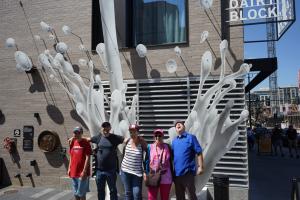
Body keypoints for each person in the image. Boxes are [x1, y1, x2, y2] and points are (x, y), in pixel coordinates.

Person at [89, 122, 126, 200]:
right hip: (99, 171)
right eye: (104, 127)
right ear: (101, 128)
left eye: (107, 127)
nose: (105, 129)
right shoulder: (98, 137)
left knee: (113, 190)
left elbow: (125, 139)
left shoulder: (114, 138)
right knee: (100, 190)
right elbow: (88, 139)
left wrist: (137, 139)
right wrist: (74, 138)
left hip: (111, 171)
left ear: (110, 128)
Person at [172, 120, 204, 200]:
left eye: (180, 123)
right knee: (179, 197)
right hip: (176, 175)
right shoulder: (174, 141)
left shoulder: (191, 137)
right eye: (176, 125)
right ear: (175, 129)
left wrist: (200, 167)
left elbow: (199, 152)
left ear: (184, 126)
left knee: (191, 196)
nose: (178, 125)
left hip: (188, 174)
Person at [120, 124, 147, 200]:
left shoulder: (142, 143)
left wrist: (145, 171)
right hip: (125, 171)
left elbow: (150, 153)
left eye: (134, 132)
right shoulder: (127, 141)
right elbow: (117, 138)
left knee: (137, 193)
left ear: (138, 132)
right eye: (131, 132)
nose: (132, 134)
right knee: (128, 193)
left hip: (137, 173)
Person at [144, 129, 173, 200]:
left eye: (159, 135)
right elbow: (146, 161)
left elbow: (172, 161)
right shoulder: (149, 147)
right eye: (156, 136)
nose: (157, 137)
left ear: (162, 136)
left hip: (166, 176)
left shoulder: (168, 147)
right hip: (153, 175)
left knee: (165, 198)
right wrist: (145, 173)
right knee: (151, 198)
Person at [68, 126, 92, 200]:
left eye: (78, 132)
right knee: (75, 193)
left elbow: (88, 157)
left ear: (81, 133)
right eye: (75, 132)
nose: (76, 134)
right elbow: (71, 156)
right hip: (73, 171)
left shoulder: (86, 143)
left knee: (81, 194)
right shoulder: (72, 142)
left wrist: (84, 171)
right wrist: (69, 168)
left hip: (82, 173)